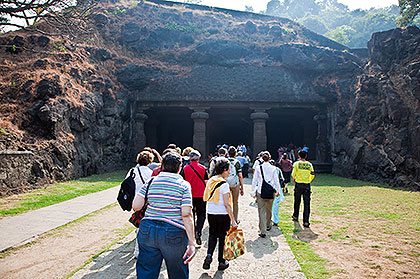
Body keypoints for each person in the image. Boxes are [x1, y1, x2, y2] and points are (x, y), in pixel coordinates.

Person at [132, 152, 195, 279]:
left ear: (162, 166)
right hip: (173, 231)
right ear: (179, 167)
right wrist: (191, 242)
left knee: (146, 271)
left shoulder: (151, 181)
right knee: (178, 272)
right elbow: (187, 214)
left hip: (147, 229)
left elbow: (136, 206)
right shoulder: (183, 185)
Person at [202, 157, 237, 271]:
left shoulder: (211, 180)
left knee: (212, 235)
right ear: (224, 169)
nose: (230, 172)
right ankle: (221, 262)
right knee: (222, 237)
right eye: (228, 170)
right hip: (222, 214)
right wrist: (233, 219)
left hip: (211, 212)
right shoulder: (224, 184)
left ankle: (209, 255)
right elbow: (227, 204)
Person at [251, 151, 281, 238]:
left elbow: (255, 180)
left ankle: (262, 230)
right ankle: (268, 225)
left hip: (261, 190)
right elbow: (276, 180)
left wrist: (253, 190)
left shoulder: (258, 168)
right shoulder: (273, 168)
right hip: (270, 191)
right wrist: (278, 190)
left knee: (261, 211)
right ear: (270, 158)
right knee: (269, 209)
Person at [182, 150, 208, 246]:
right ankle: (198, 231)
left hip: (189, 194)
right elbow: (206, 182)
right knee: (201, 214)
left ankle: (191, 233)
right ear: (199, 158)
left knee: (190, 215)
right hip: (201, 194)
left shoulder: (185, 168)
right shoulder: (203, 168)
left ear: (189, 158)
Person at [291, 149, 315, 228]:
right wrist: (308, 180)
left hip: (299, 184)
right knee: (307, 203)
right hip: (306, 185)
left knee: (297, 201)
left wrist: (295, 179)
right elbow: (312, 174)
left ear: (298, 156)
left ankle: (295, 215)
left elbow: (293, 173)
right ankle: (306, 221)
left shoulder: (297, 164)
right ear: (306, 156)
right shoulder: (309, 165)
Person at [227, 146, 244, 223]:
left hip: (225, 183)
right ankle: (235, 219)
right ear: (235, 154)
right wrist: (242, 187)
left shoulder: (225, 161)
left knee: (226, 202)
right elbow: (240, 175)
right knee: (235, 202)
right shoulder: (237, 162)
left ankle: (226, 219)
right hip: (235, 183)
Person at [269, 160, 285, 227]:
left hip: (271, 188)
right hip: (277, 188)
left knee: (270, 205)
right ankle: (275, 220)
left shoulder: (269, 169)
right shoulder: (278, 169)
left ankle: (271, 219)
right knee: (275, 206)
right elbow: (282, 179)